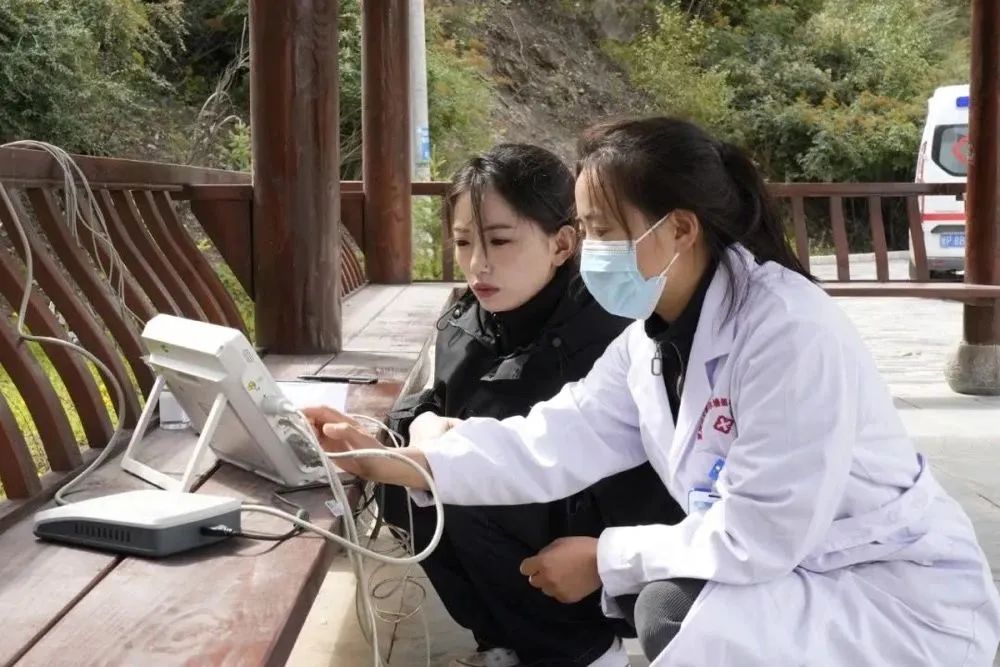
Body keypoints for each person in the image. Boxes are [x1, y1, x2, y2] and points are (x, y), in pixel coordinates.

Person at [307, 118, 1000, 666]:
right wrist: (405, 463)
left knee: (671, 608)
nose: (589, 251)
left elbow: (761, 534)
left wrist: (606, 556)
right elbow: (558, 436)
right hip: (793, 565)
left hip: (887, 589)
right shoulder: (651, 336)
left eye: (603, 231)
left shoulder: (788, 331)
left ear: (680, 229)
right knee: (672, 601)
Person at [379, 143, 685, 667]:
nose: (478, 264)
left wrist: (446, 447)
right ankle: (502, 641)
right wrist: (420, 423)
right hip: (531, 516)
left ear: (562, 244)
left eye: (500, 241)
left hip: (613, 536)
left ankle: (584, 651)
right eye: (463, 242)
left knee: (464, 491)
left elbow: (528, 445)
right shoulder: (469, 320)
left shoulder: (607, 329)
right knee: (399, 481)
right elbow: (433, 402)